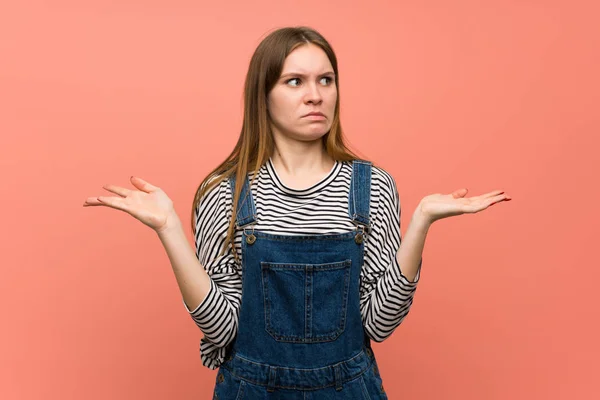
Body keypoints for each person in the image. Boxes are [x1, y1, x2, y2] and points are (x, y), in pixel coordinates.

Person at [83, 26, 511, 399]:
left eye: (326, 80)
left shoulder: (372, 186)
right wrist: (169, 229)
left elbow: (378, 324)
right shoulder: (225, 193)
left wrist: (420, 223)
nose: (315, 95)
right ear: (262, 94)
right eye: (295, 81)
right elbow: (223, 330)